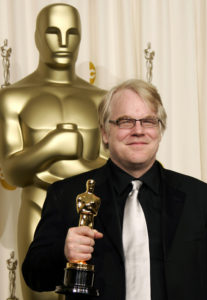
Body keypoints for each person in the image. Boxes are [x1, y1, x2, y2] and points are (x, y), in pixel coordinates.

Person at [22, 79, 207, 300]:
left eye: (149, 121)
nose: (138, 130)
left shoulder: (202, 199)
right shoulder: (66, 194)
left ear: (159, 131)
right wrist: (63, 252)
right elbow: (33, 276)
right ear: (105, 132)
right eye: (125, 121)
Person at [0, 3, 106, 300]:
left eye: (72, 33)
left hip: (93, 217)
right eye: (53, 32)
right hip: (36, 208)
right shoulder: (12, 97)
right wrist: (52, 146)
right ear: (36, 37)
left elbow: (113, 168)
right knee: (40, 291)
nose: (63, 42)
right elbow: (11, 172)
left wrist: (66, 160)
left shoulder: (101, 98)